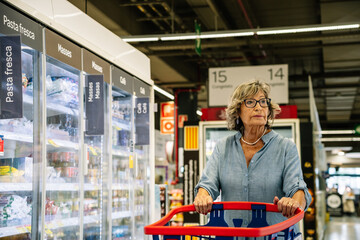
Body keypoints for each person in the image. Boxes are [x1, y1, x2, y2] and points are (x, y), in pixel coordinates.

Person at [194, 80, 312, 232]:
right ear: (237, 111)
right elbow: (207, 184)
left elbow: (297, 188)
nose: (258, 107)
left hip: (274, 235)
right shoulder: (223, 147)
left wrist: (294, 202)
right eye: (250, 102)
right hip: (233, 234)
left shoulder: (285, 147)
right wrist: (203, 196)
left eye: (263, 102)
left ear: (269, 110)